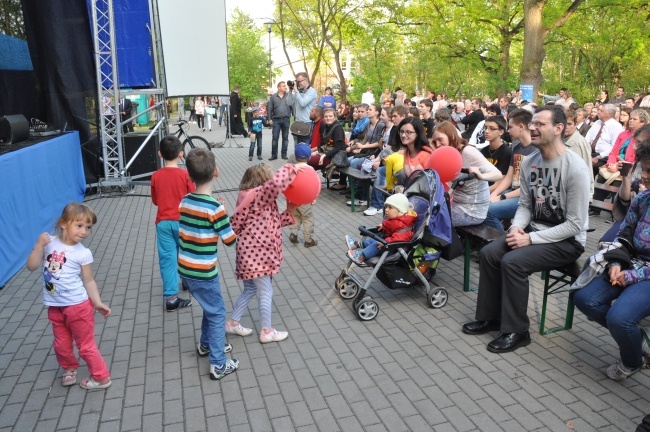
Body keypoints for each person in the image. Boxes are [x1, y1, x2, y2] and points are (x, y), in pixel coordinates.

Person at [462, 106, 590, 353]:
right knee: (490, 253)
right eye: (533, 123)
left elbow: (575, 224)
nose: (533, 127)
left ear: (558, 129)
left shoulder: (575, 168)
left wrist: (529, 238)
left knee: (512, 262)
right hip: (533, 231)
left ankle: (517, 331)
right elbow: (525, 205)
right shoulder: (531, 162)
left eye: (540, 124)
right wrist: (517, 229)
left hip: (567, 241)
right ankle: (492, 317)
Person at [573, 142, 650, 380]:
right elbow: (624, 232)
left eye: (649, 170)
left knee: (620, 318)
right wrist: (617, 262)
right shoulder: (643, 198)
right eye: (644, 169)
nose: (644, 176)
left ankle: (632, 361)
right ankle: (637, 340)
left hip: (645, 275)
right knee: (585, 298)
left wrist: (632, 276)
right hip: (629, 263)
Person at [26, 203, 112, 390]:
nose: (84, 232)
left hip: (78, 307)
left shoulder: (83, 253)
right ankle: (69, 368)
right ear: (64, 223)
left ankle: (101, 377)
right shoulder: (49, 243)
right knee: (61, 344)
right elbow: (31, 266)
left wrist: (97, 302)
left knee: (85, 345)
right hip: (55, 306)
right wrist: (39, 245)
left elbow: (89, 281)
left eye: (88, 227)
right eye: (79, 226)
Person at [179, 148, 239, 380]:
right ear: (216, 172)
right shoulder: (215, 208)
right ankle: (218, 363)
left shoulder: (185, 201)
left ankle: (206, 344)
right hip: (204, 271)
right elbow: (230, 240)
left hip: (186, 268)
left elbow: (197, 223)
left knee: (209, 307)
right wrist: (223, 212)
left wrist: (217, 208)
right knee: (217, 313)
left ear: (189, 176)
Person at [226, 162, 299, 344]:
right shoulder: (258, 195)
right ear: (263, 182)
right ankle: (267, 331)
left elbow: (266, 223)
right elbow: (277, 183)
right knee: (266, 290)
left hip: (248, 254)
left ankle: (233, 322)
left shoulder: (247, 197)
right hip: (257, 254)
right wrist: (295, 167)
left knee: (250, 288)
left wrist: (288, 211)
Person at [150, 136, 195, 311]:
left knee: (167, 260)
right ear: (181, 154)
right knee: (186, 254)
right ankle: (187, 282)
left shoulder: (155, 176)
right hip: (183, 223)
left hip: (163, 223)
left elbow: (155, 201)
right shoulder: (185, 175)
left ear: (160, 154)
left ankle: (171, 299)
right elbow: (192, 197)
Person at [484, 109, 537, 231]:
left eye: (511, 127)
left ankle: (504, 242)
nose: (508, 131)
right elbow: (509, 177)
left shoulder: (536, 150)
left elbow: (528, 188)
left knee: (488, 212)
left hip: (525, 198)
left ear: (521, 127)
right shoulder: (517, 147)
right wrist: (494, 194)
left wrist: (502, 197)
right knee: (483, 202)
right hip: (511, 192)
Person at [346, 193, 417, 264]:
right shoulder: (395, 219)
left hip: (392, 250)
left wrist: (386, 242)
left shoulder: (404, 226)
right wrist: (383, 225)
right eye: (386, 207)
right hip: (387, 245)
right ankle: (357, 245)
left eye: (390, 208)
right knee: (375, 239)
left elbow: (399, 239)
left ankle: (361, 256)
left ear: (400, 211)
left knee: (377, 244)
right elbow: (391, 225)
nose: (386, 210)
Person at [289, 144, 317, 247]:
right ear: (310, 157)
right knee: (307, 218)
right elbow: (315, 185)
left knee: (295, 215)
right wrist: (313, 197)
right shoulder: (310, 170)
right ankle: (308, 240)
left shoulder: (292, 169)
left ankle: (293, 233)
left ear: (295, 157)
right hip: (305, 199)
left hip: (293, 199)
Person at [480, 115, 512, 193]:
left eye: (491, 128)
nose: (487, 131)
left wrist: (479, 193)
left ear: (501, 132)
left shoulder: (506, 153)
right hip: (483, 187)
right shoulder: (483, 151)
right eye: (485, 128)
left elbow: (500, 182)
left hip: (495, 192)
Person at [309, 108, 346, 172]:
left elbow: (338, 147)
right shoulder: (325, 126)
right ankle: (312, 180)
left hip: (335, 156)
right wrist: (315, 151)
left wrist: (324, 155)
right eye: (326, 116)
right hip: (325, 152)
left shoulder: (338, 128)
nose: (328, 118)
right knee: (307, 162)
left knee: (308, 160)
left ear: (335, 117)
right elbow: (322, 142)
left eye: (330, 116)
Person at [267, 81, 294, 160]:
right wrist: (269, 119)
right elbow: (269, 108)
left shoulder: (289, 96)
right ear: (278, 88)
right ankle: (274, 155)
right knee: (275, 138)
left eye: (285, 86)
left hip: (286, 119)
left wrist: (295, 117)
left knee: (285, 138)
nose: (285, 87)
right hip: (276, 120)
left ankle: (284, 154)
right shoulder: (273, 97)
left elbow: (293, 107)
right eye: (283, 86)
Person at [290, 72, 318, 146]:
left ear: (306, 80)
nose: (298, 83)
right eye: (297, 81)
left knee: (305, 148)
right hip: (297, 122)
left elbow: (303, 103)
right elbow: (289, 102)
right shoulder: (298, 92)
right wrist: (290, 91)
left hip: (307, 123)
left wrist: (296, 91)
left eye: (300, 81)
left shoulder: (312, 91)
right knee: (297, 148)